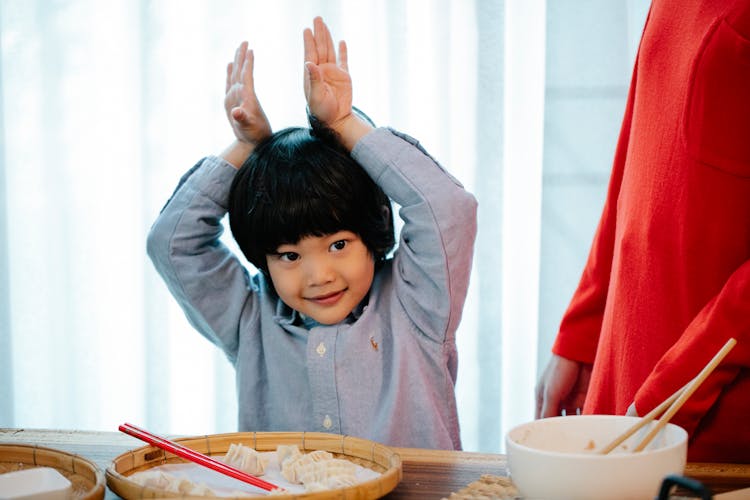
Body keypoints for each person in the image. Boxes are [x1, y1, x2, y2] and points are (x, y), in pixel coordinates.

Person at [147, 17, 477, 450]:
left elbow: (448, 208)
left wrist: (342, 125)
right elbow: (171, 243)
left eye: (338, 245)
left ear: (373, 233)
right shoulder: (250, 320)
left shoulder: (417, 304)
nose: (319, 274)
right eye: (289, 255)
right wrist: (249, 147)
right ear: (261, 259)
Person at [535, 0, 750, 462]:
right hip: (629, 380)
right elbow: (635, 162)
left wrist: (675, 394)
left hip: (706, 410)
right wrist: (581, 333)